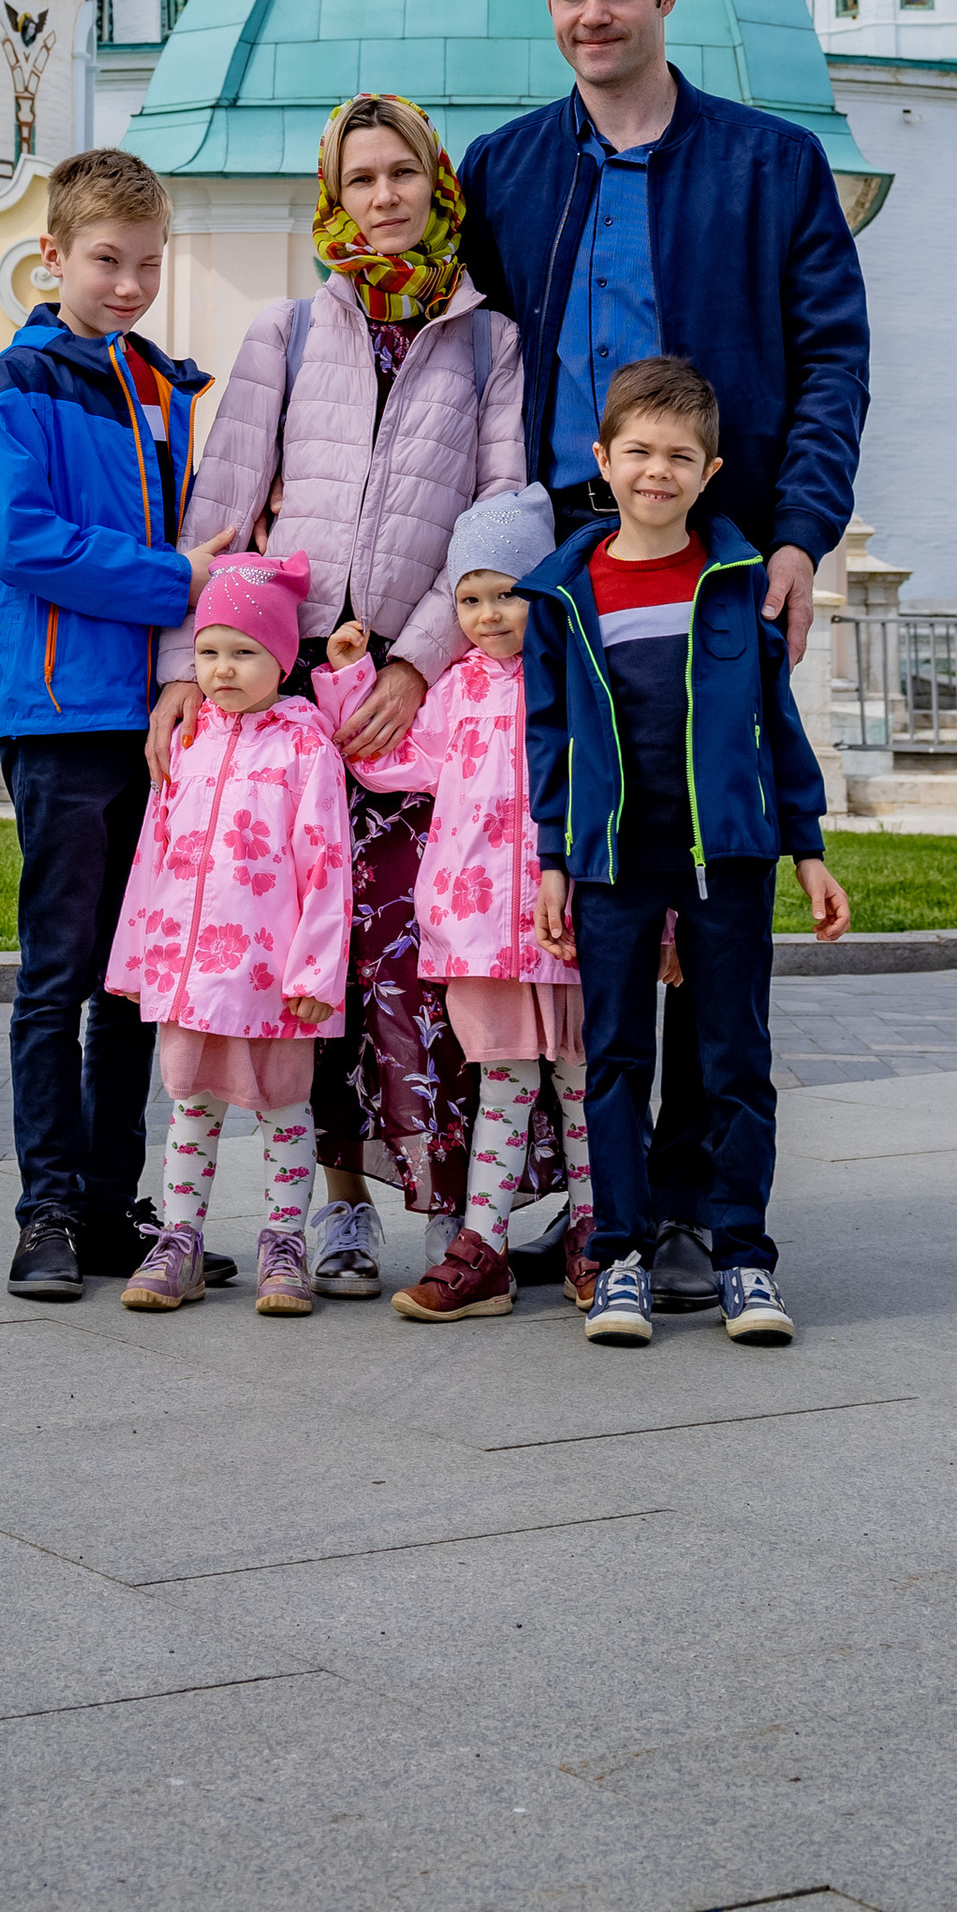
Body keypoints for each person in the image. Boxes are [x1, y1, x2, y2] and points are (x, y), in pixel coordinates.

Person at [461, 0, 867, 1315]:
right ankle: (597, 1201)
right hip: (568, 574)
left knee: (708, 876)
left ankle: (694, 1207)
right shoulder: (506, 169)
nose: (593, 15)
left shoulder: (769, 165)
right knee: (589, 885)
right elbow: (459, 357)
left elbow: (831, 360)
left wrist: (800, 535)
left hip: (714, 560)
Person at [151, 93, 527, 1297]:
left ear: (436, 183)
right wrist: (185, 672)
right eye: (358, 179)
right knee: (300, 952)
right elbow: (219, 512)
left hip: (421, 693)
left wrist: (418, 662)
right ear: (332, 195)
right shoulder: (287, 333)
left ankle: (448, 1208)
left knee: (413, 953)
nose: (381, 197)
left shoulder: (487, 340)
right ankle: (337, 1206)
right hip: (293, 687)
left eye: (400, 173)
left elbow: (501, 515)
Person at [525, 353, 850, 1350]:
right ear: (602, 459)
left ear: (709, 472)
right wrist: (552, 858)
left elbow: (777, 724)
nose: (655, 472)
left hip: (731, 858)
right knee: (615, 1062)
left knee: (734, 1062)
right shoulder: (565, 592)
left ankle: (742, 1256)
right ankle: (618, 1255)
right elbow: (549, 736)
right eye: (637, 452)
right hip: (613, 862)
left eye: (677, 457)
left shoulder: (739, 581)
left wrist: (807, 848)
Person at [0, 147, 241, 1303]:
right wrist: (173, 580)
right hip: (62, 720)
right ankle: (45, 1209)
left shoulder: (163, 386)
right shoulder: (25, 376)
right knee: (59, 977)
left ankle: (108, 1205)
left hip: (158, 722)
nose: (128, 284)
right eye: (105, 261)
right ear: (53, 255)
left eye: (147, 263)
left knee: (133, 982)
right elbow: (20, 540)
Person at [315, 484, 597, 1324]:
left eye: (506, 593)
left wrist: (656, 920)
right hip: (474, 933)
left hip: (571, 926)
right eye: (469, 599)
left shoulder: (579, 681)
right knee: (503, 1086)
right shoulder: (454, 690)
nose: (487, 615)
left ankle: (597, 1234)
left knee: (582, 1086)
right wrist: (349, 679)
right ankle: (483, 1249)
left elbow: (622, 796)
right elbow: (385, 761)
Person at [108, 554, 355, 1317]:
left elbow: (328, 863)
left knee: (284, 1109)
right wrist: (136, 960)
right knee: (190, 1107)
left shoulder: (306, 747)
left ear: (281, 658)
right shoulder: (187, 742)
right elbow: (154, 853)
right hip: (189, 975)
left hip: (273, 977)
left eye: (244, 652)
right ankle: (179, 1240)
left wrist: (316, 973)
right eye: (209, 651)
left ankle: (285, 1243)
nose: (222, 669)